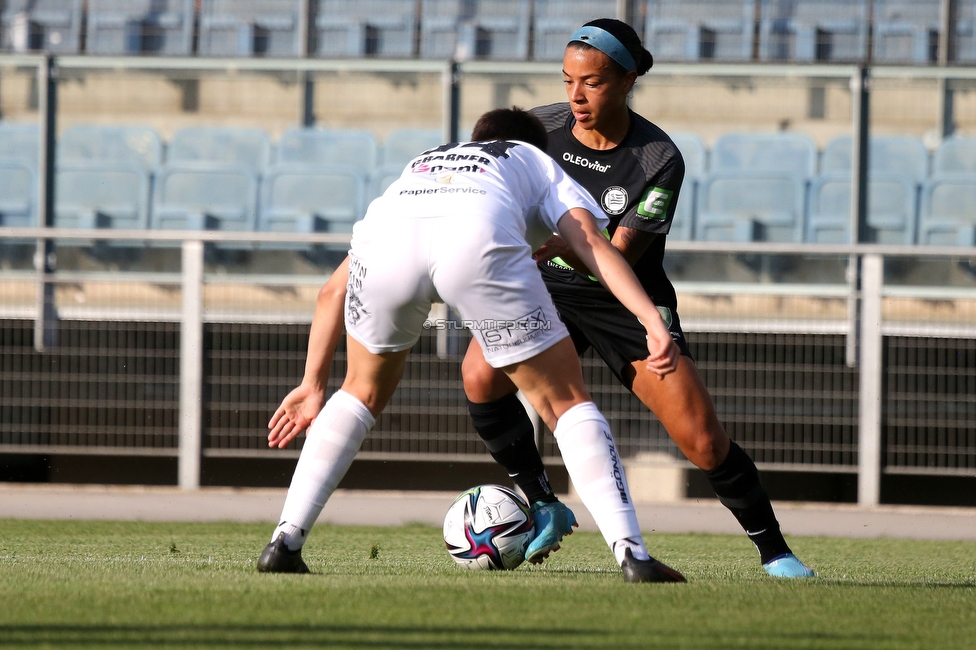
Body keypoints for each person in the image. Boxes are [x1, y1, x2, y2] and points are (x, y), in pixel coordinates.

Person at [257, 108, 686, 583]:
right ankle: (632, 555)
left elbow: (330, 292)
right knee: (564, 402)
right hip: (475, 240)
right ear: (537, 146)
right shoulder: (535, 160)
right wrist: (650, 318)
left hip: (387, 248)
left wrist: (312, 383)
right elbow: (592, 244)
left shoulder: (427, 160)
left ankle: (285, 541)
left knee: (359, 391)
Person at [459, 19, 815, 579]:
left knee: (702, 440)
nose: (576, 95)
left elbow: (612, 254)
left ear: (626, 82)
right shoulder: (539, 130)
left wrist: (544, 244)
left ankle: (776, 553)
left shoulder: (658, 157)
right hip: (546, 287)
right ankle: (543, 501)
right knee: (480, 375)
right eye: (568, 80)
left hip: (623, 297)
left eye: (593, 82)